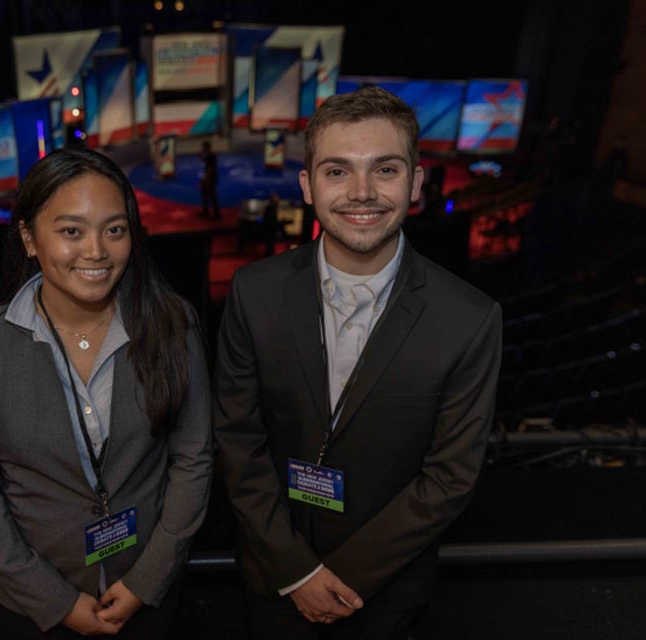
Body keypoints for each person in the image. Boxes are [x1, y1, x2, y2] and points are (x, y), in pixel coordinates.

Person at [213, 86, 502, 639]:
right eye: (338, 171)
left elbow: (450, 477)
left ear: (416, 183)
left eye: (385, 169)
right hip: (273, 578)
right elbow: (235, 438)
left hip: (385, 591)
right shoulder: (254, 291)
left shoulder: (470, 318)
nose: (362, 192)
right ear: (308, 186)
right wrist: (295, 569)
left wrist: (343, 576)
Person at [0, 147, 213, 638]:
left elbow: (194, 461)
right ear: (28, 237)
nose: (96, 251)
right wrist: (57, 602)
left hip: (148, 593)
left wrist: (148, 579)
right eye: (71, 231)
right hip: (35, 606)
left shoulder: (173, 323)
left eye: (114, 229)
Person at [198, 140, 221, 219]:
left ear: (206, 148)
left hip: (210, 178)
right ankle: (206, 211)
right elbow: (203, 159)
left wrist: (205, 179)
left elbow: (210, 169)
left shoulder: (210, 156)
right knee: (205, 194)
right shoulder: (210, 155)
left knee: (212, 196)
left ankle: (216, 214)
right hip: (211, 177)